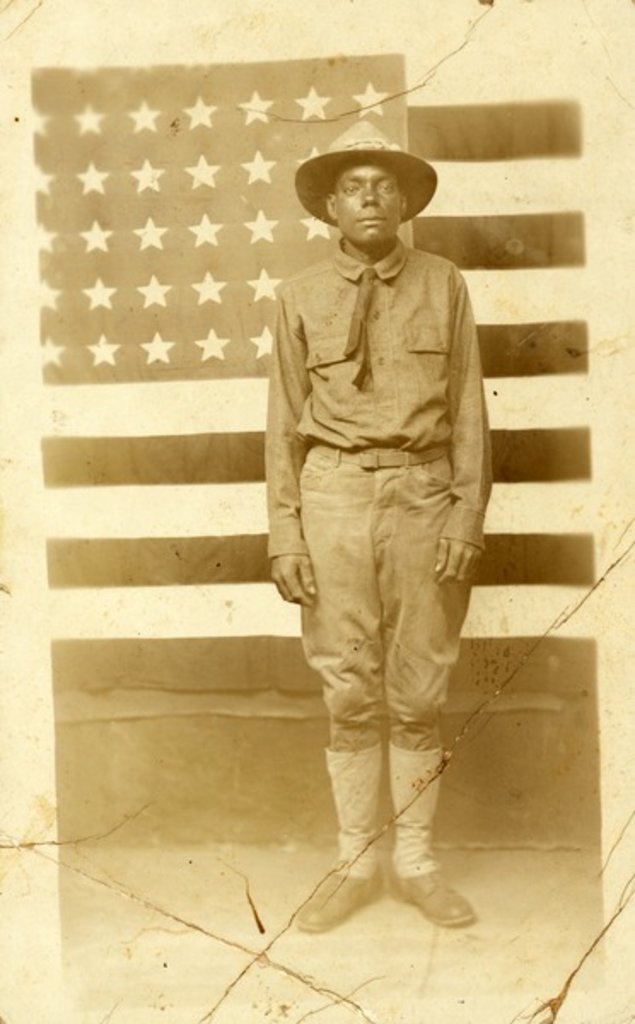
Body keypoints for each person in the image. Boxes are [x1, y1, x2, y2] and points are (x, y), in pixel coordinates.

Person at [265, 120, 492, 932]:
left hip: (425, 495)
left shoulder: (442, 282)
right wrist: (285, 534)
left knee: (418, 686)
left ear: (404, 203)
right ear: (330, 206)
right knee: (349, 687)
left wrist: (466, 512)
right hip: (330, 497)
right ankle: (358, 861)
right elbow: (282, 423)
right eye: (353, 186)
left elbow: (467, 408)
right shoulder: (297, 296)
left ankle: (417, 862)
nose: (369, 197)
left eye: (383, 185)